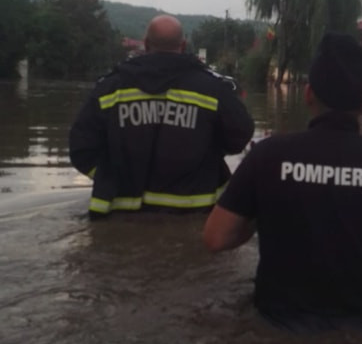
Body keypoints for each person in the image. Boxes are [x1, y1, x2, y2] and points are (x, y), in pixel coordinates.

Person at [203, 32, 362, 333]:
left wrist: (262, 216)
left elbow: (215, 239)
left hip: (277, 328)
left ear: (308, 94)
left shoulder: (266, 156)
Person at [69, 15, 254, 217]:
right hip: (193, 212)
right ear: (183, 45)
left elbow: (80, 148)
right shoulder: (213, 88)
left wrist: (108, 177)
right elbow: (240, 135)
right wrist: (207, 151)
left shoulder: (110, 87)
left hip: (120, 213)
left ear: (146, 44)